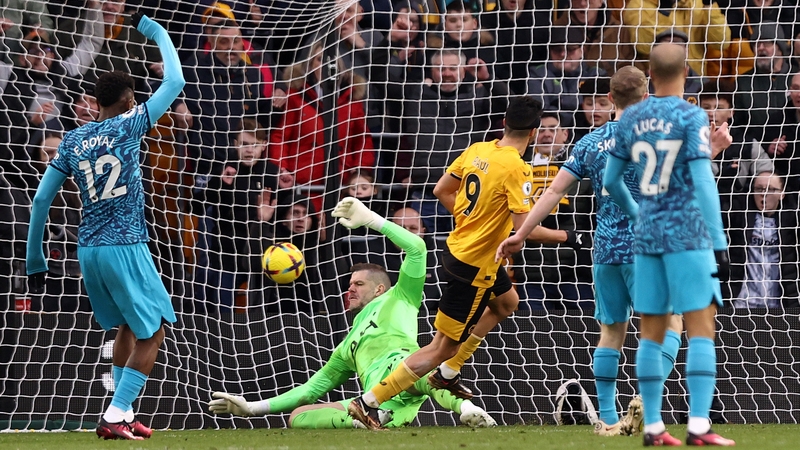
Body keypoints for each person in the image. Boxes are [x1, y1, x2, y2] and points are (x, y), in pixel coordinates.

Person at [347, 96, 577, 429]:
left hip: (462, 250)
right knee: (440, 347)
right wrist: (569, 237)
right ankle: (368, 402)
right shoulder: (517, 167)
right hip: (475, 266)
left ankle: (448, 374)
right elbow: (524, 228)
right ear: (533, 131)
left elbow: (442, 190)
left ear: (504, 124)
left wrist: (474, 221)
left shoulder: (478, 149)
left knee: (507, 303)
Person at [496, 66, 685, 436]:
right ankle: (647, 398)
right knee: (671, 322)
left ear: (610, 99)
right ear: (646, 98)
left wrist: (522, 233)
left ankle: (609, 419)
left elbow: (552, 192)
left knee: (611, 331)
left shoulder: (589, 143)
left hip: (605, 249)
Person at [24, 12, 185, 440]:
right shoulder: (130, 124)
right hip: (126, 244)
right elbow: (175, 82)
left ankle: (121, 411)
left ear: (95, 103)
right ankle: (116, 413)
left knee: (128, 326)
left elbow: (41, 200)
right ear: (130, 101)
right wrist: (155, 30)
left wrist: (34, 260)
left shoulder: (74, 139)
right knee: (155, 332)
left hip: (88, 251)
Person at [208, 196, 497, 429]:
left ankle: (468, 408)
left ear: (380, 289)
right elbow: (309, 389)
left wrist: (372, 220)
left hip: (407, 369)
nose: (350, 290)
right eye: (349, 285)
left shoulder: (401, 296)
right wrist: (251, 408)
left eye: (358, 284)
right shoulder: (348, 345)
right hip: (377, 402)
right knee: (300, 415)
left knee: (426, 370)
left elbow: (417, 249)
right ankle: (370, 419)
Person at [602, 43, 734, 446]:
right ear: (686, 72)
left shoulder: (632, 117)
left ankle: (655, 427)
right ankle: (698, 426)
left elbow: (609, 182)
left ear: (651, 76)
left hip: (647, 236)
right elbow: (703, 181)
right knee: (700, 330)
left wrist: (638, 214)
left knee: (650, 332)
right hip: (687, 234)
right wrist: (719, 241)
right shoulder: (691, 115)